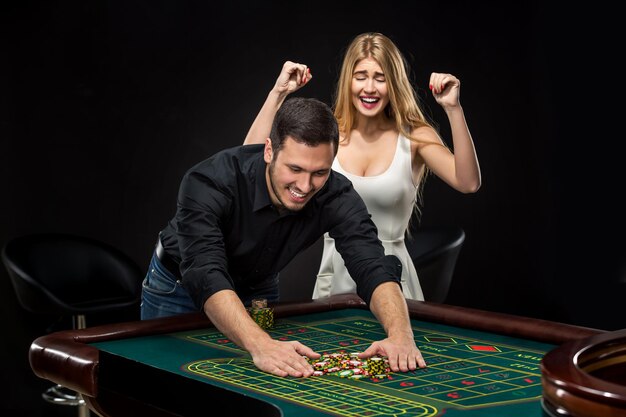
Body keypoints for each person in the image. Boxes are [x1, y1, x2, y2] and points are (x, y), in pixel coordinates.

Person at [141, 97, 426, 378]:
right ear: (269, 151)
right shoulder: (209, 181)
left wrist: (401, 334)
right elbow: (205, 273)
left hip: (257, 289)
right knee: (166, 386)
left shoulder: (336, 194)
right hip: (178, 288)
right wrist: (262, 345)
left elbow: (371, 264)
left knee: (255, 385)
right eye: (295, 169)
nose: (305, 186)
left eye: (319, 172)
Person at [243, 32, 481, 301]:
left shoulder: (414, 136)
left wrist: (453, 109)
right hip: (334, 283)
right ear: (349, 81)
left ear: (394, 83)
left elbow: (468, 182)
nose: (369, 88)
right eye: (360, 77)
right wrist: (278, 93)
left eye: (380, 78)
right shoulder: (328, 134)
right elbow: (248, 161)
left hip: (394, 285)